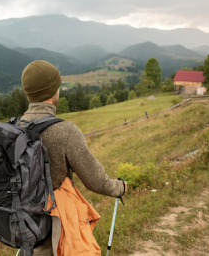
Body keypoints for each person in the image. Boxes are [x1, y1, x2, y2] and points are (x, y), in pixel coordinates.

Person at [20, 60, 128, 256]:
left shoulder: (14, 129)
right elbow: (95, 180)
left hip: (23, 224)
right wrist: (119, 187)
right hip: (53, 228)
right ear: (54, 91)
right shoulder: (65, 131)